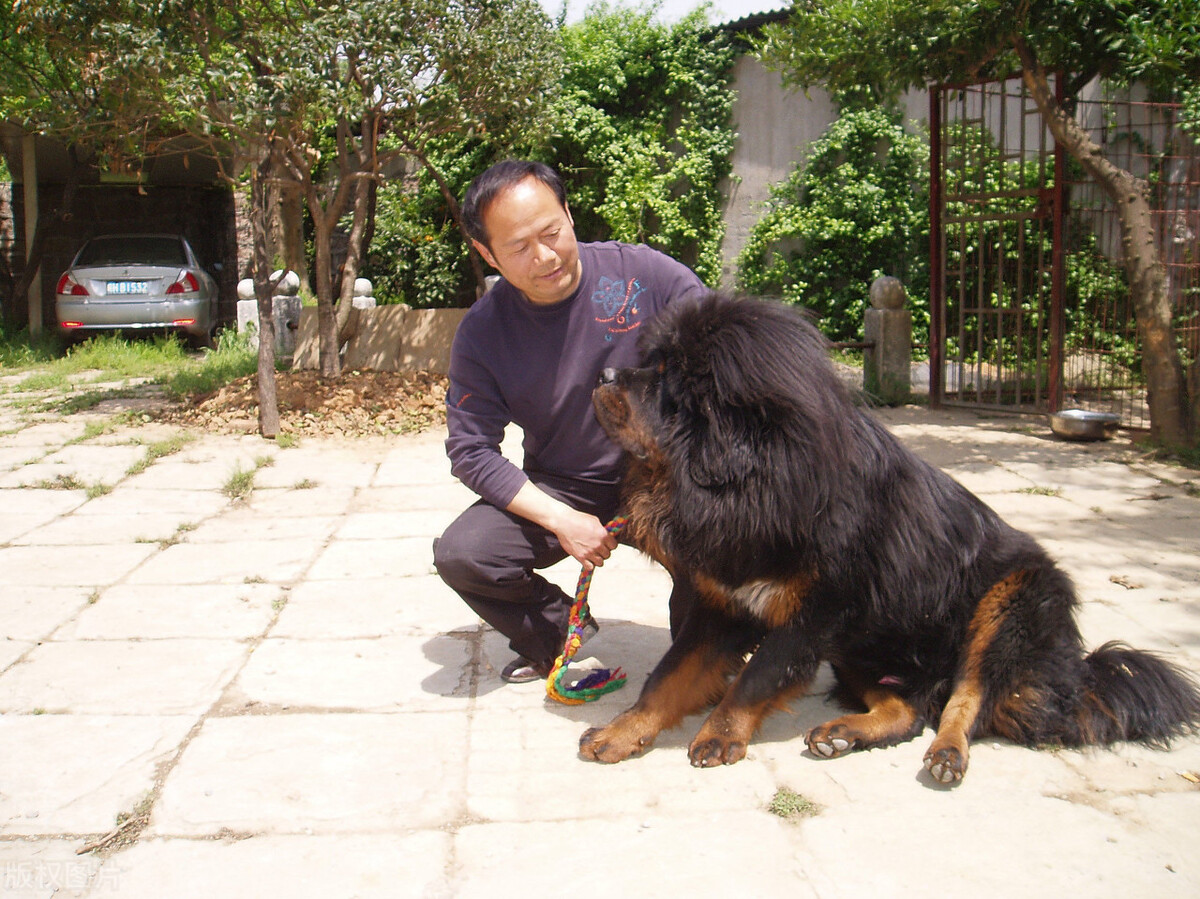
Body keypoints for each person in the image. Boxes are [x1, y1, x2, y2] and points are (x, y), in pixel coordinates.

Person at [432, 159, 707, 683]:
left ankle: (711, 645)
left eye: (551, 232)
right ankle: (559, 632)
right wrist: (561, 519)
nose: (544, 256)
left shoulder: (647, 278)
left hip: (666, 479)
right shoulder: (483, 333)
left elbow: (722, 353)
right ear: (487, 254)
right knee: (465, 553)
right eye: (517, 247)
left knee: (700, 645)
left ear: (569, 215)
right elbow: (471, 450)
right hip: (566, 485)